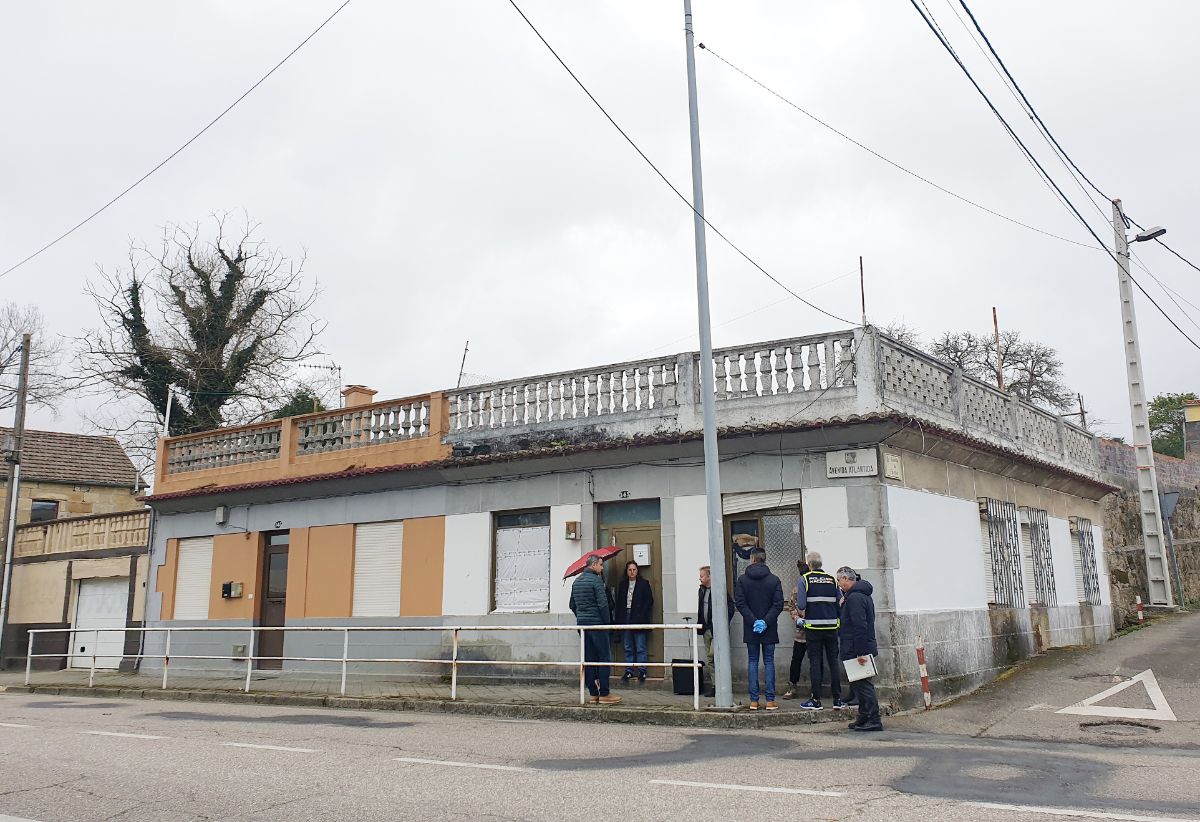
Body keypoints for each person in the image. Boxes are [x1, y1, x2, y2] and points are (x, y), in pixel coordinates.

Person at [733, 547, 784, 711]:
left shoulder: (742, 580)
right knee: (769, 661)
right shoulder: (774, 580)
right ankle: (770, 700)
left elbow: (740, 603)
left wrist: (753, 621)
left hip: (750, 628)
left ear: (752, 559)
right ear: (764, 559)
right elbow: (778, 604)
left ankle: (754, 701)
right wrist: (765, 621)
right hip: (769, 628)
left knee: (753, 661)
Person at [797, 551, 848, 711]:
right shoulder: (832, 580)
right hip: (832, 627)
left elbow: (802, 605)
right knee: (833, 662)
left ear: (809, 564)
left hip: (813, 628)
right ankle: (837, 699)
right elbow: (840, 601)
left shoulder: (804, 579)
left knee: (815, 663)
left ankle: (816, 700)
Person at [569, 554, 621, 705]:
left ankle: (593, 694)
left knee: (589, 659)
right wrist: (606, 623)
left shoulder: (576, 581)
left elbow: (572, 605)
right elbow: (603, 605)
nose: (602, 567)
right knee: (604, 658)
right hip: (598, 625)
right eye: (601, 564)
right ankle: (604, 693)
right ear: (593, 565)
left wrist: (581, 616)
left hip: (583, 625)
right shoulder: (597, 581)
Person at [837, 565, 882, 731]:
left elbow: (859, 626)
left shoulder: (855, 598)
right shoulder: (857, 596)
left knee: (864, 686)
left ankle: (873, 719)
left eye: (840, 580)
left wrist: (861, 653)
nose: (839, 584)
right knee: (858, 685)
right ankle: (863, 717)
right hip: (856, 647)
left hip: (857, 648)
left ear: (847, 579)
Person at [696, 565, 734, 698]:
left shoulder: (719, 590)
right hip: (706, 629)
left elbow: (730, 607)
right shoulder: (701, 590)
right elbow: (702, 609)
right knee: (710, 659)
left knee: (714, 655)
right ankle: (715, 686)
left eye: (702, 576)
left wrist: (723, 624)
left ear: (709, 576)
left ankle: (723, 685)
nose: (700, 579)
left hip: (716, 629)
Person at [614, 560, 654, 683]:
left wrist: (642, 615)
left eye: (634, 569)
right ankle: (629, 670)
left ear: (637, 571)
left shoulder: (643, 584)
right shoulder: (623, 585)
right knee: (628, 645)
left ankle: (642, 670)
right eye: (629, 570)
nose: (632, 572)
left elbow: (649, 601)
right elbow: (619, 603)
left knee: (640, 645)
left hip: (639, 617)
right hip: (626, 616)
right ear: (626, 572)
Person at [781, 560, 810, 699]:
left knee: (816, 661)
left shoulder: (816, 588)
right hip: (801, 632)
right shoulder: (797, 589)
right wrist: (796, 618)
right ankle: (792, 686)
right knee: (796, 659)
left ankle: (816, 689)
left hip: (816, 630)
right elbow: (791, 606)